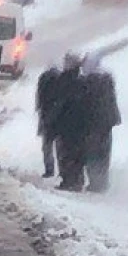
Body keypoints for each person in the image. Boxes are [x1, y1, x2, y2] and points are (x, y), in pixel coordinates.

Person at [51, 52, 90, 192]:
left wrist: (54, 120)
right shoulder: (82, 81)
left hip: (66, 124)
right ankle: (76, 180)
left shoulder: (65, 81)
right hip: (79, 125)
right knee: (77, 154)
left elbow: (60, 103)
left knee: (66, 153)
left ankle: (69, 180)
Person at [82, 54, 121, 193]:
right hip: (107, 122)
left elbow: (88, 104)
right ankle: (103, 181)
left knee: (92, 152)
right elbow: (111, 101)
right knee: (104, 152)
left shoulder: (89, 81)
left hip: (93, 123)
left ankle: (95, 182)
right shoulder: (107, 78)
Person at [36, 64, 61, 178]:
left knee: (47, 146)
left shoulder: (44, 79)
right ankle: (62, 170)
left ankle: (49, 169)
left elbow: (39, 98)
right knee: (60, 146)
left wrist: (39, 109)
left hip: (46, 116)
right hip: (59, 117)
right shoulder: (62, 80)